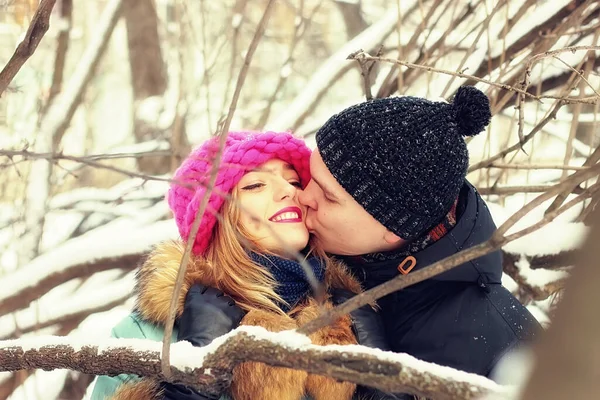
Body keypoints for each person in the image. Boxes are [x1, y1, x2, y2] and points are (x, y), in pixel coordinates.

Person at [90, 131, 387, 400]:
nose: (289, 191)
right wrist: (190, 381)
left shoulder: (354, 313)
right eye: (256, 184)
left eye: (294, 180)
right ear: (216, 218)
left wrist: (384, 388)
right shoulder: (149, 335)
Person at [297, 85, 542, 380]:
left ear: (394, 227)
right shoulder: (330, 255)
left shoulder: (502, 352)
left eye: (328, 195)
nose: (302, 197)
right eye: (311, 177)